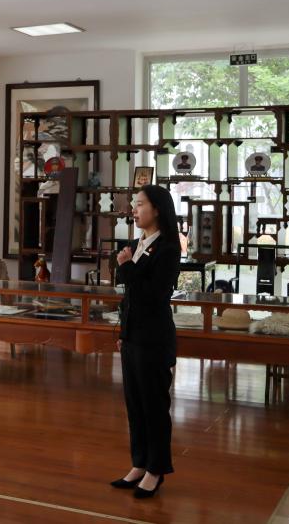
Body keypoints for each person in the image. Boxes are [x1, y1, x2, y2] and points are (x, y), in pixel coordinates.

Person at [111, 184, 181, 499]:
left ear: (157, 209)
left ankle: (156, 469)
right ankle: (139, 463)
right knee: (135, 405)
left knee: (154, 406)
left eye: (139, 204)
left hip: (154, 338)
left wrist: (127, 266)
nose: (134, 210)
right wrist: (123, 334)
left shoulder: (168, 248)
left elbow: (151, 295)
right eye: (134, 204)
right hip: (133, 337)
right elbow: (129, 298)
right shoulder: (135, 243)